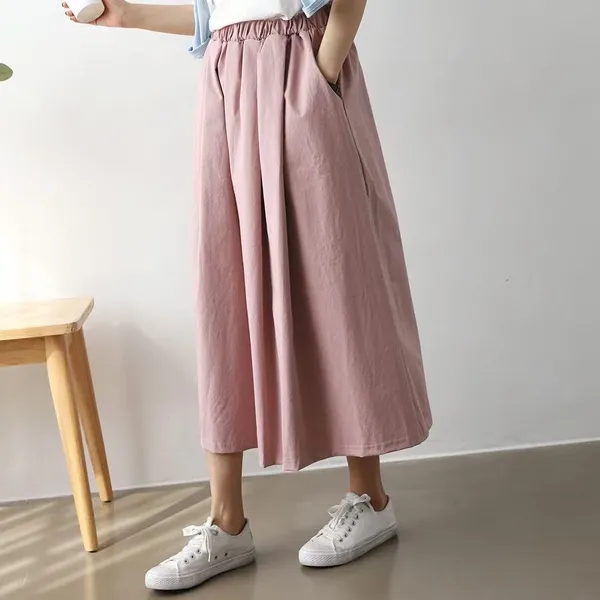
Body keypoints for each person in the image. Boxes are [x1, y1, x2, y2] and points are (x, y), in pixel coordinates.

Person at [63, 0, 433, 591]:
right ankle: (227, 522)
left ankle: (370, 498)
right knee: (225, 286)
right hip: (227, 79)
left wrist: (322, 68)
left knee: (338, 277)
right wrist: (125, 15)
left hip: (300, 66)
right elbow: (218, 12)